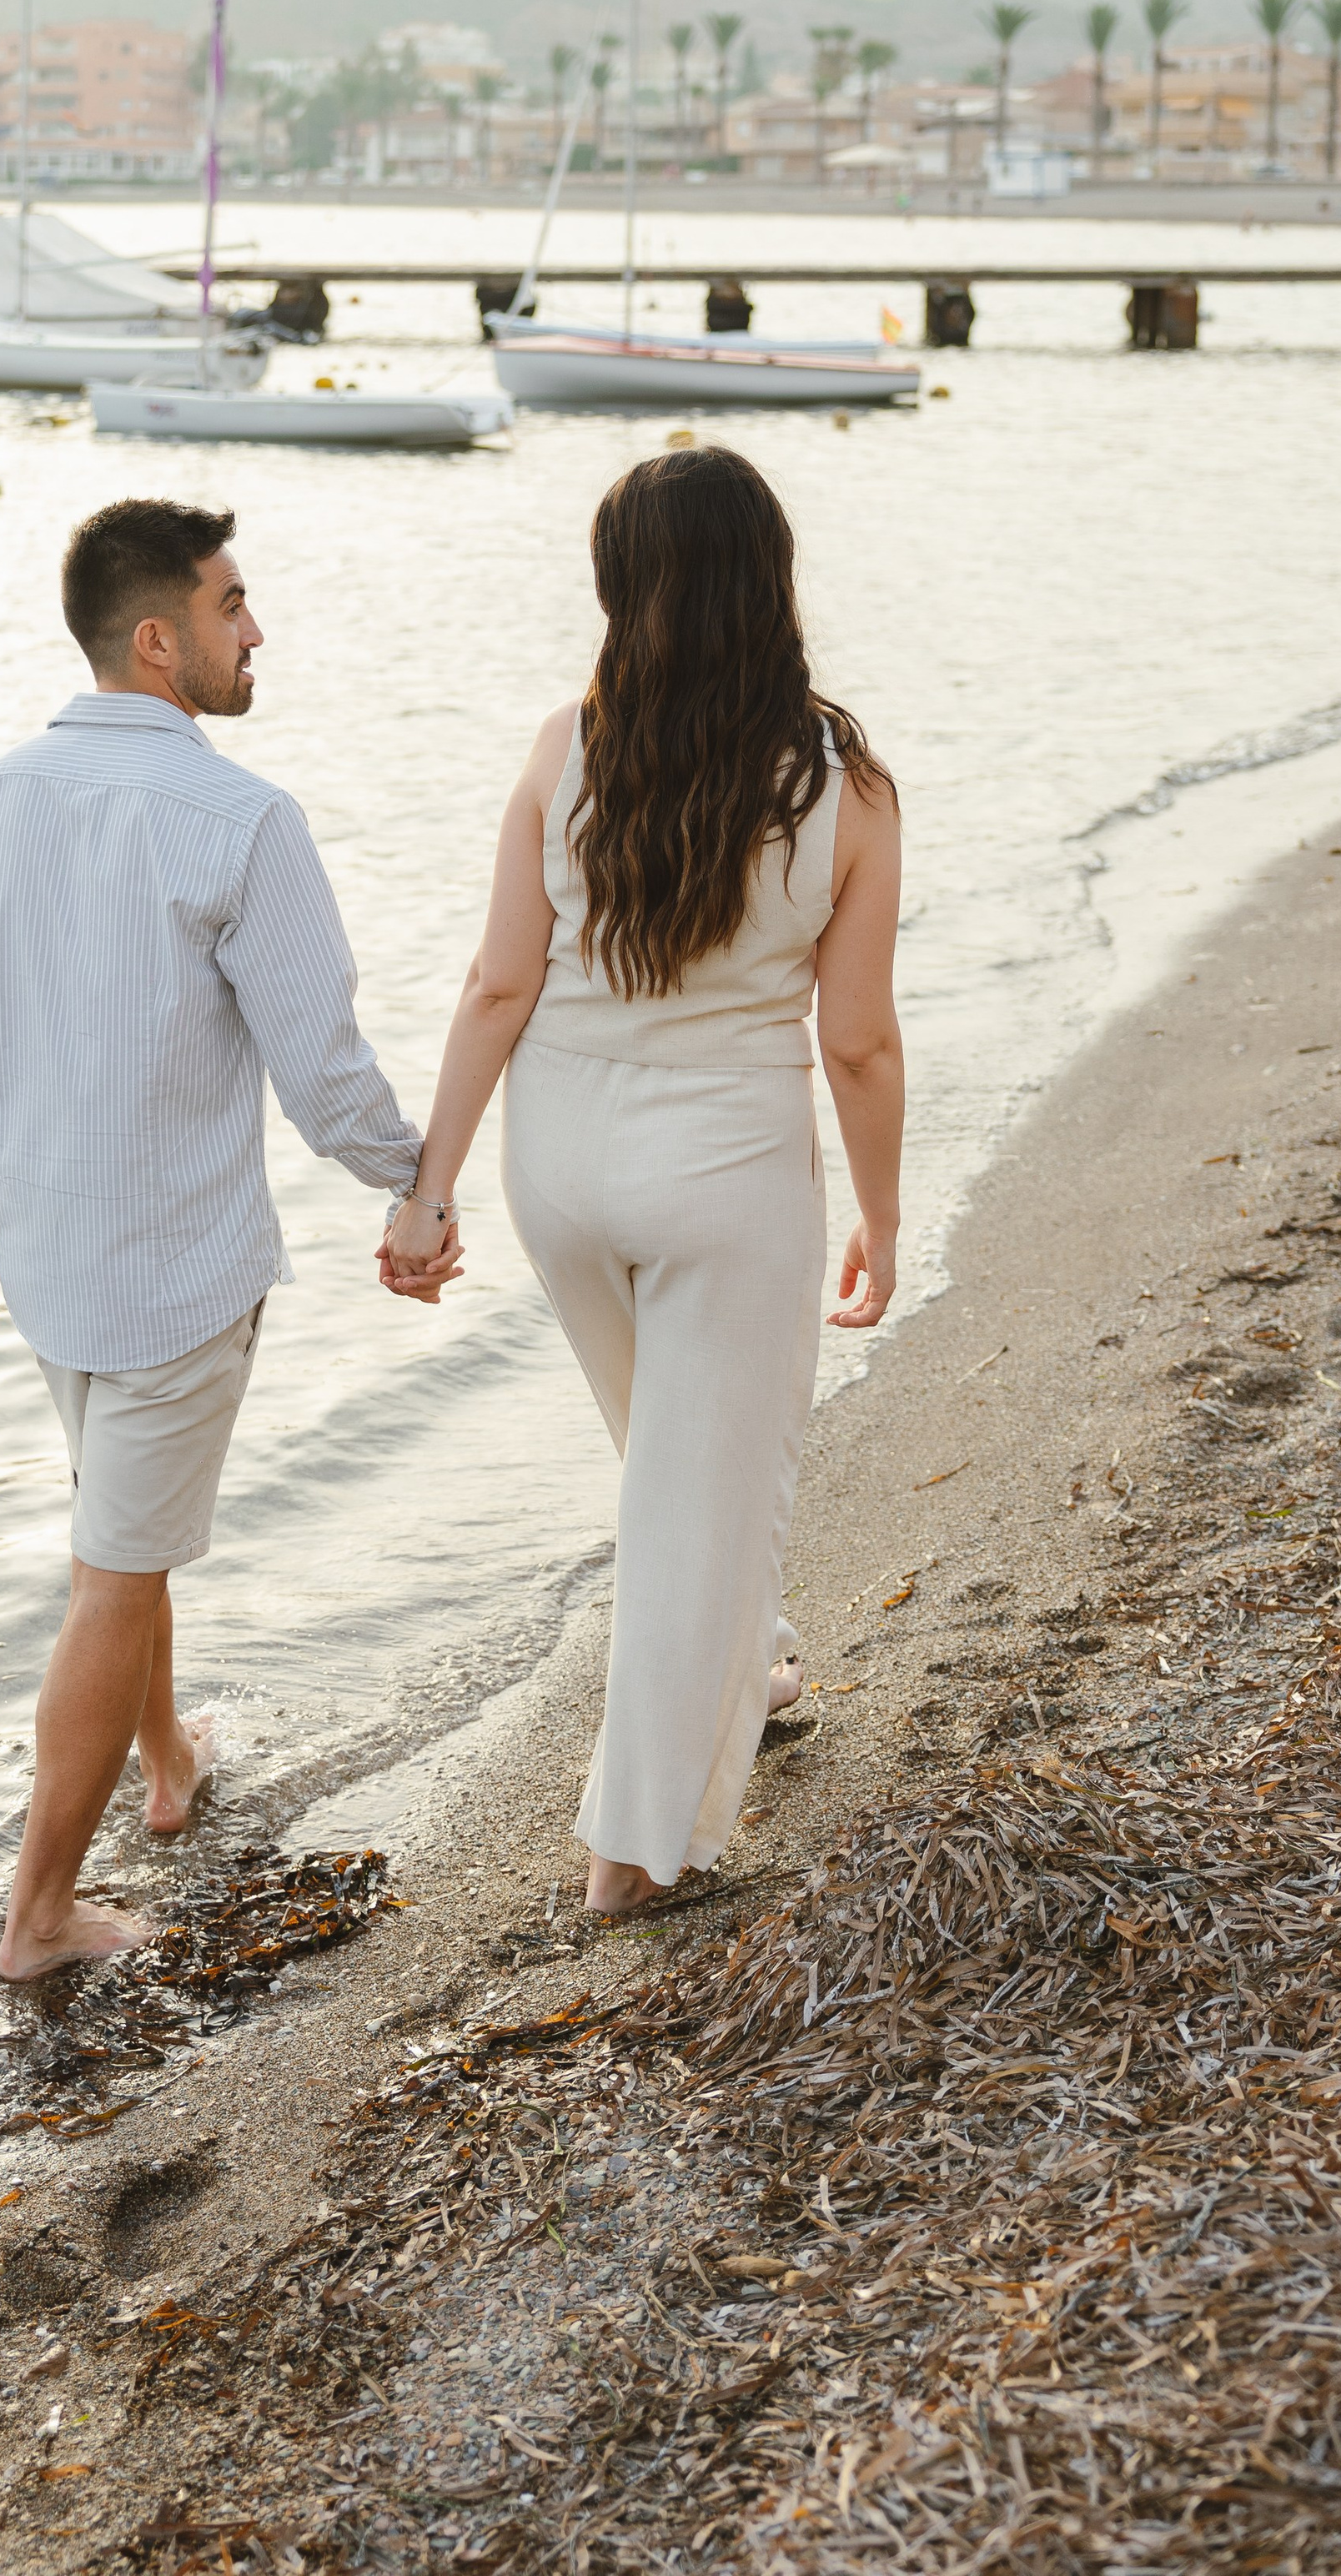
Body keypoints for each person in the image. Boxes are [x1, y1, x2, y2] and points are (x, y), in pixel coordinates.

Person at [0, 497, 448, 1983]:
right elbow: (320, 1064)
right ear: (159, 638)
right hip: (179, 1279)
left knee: (117, 1536)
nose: (256, 630)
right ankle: (39, 1917)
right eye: (234, 605)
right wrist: (423, 1182)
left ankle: (173, 1769)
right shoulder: (240, 819)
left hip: (54, 1264)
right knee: (114, 1573)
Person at [380, 444, 902, 1911]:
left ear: (627, 588)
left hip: (565, 1166)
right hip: (726, 1172)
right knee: (697, 1491)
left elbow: (496, 987)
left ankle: (757, 1665)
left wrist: (431, 1192)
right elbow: (855, 1042)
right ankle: (639, 1854)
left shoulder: (568, 745)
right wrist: (882, 1208)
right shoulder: (842, 784)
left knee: (673, 1462)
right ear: (770, 580)